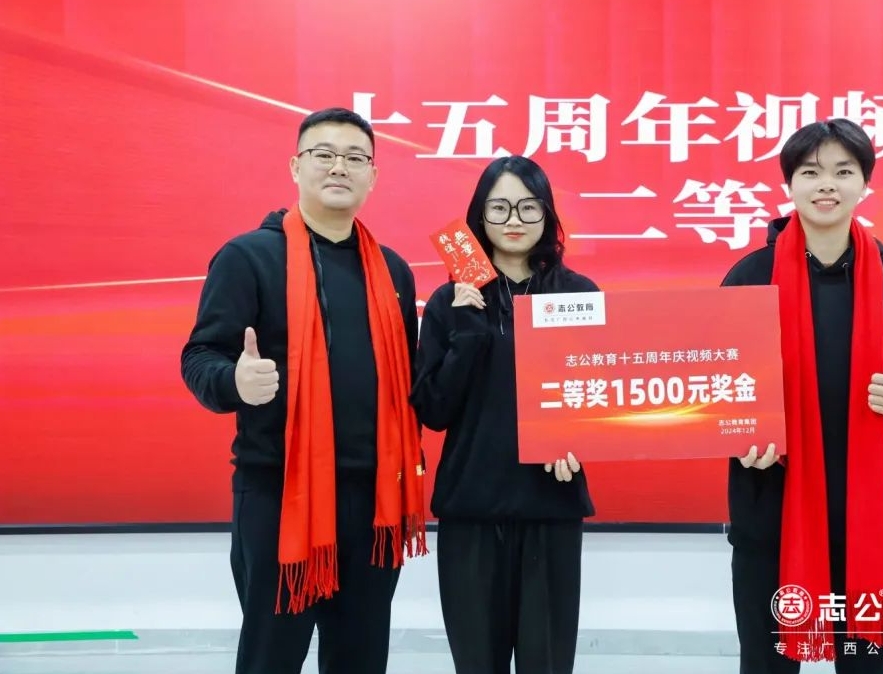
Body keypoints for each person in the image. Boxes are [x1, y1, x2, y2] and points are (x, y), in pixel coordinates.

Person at [180, 107, 427, 674]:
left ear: (373, 176)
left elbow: (410, 382)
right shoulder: (249, 257)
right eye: (324, 154)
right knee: (271, 658)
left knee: (361, 659)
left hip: (373, 502)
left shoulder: (392, 271)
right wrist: (235, 381)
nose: (340, 167)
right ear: (296, 166)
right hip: (281, 495)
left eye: (355, 158)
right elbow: (200, 356)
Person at [720, 118, 883, 673]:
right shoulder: (751, 276)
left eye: (843, 172)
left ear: (864, 184)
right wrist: (741, 435)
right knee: (768, 660)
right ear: (789, 185)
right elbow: (718, 378)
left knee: (867, 659)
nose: (827, 184)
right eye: (810, 172)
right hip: (771, 503)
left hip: (868, 507)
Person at [411, 155, 598, 674]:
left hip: (551, 505)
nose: (514, 219)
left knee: (547, 662)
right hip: (472, 508)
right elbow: (434, 409)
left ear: (547, 215)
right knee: (477, 663)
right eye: (499, 208)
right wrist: (468, 331)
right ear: (479, 216)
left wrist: (578, 439)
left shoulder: (579, 295)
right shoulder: (450, 301)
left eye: (528, 207)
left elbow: (598, 395)